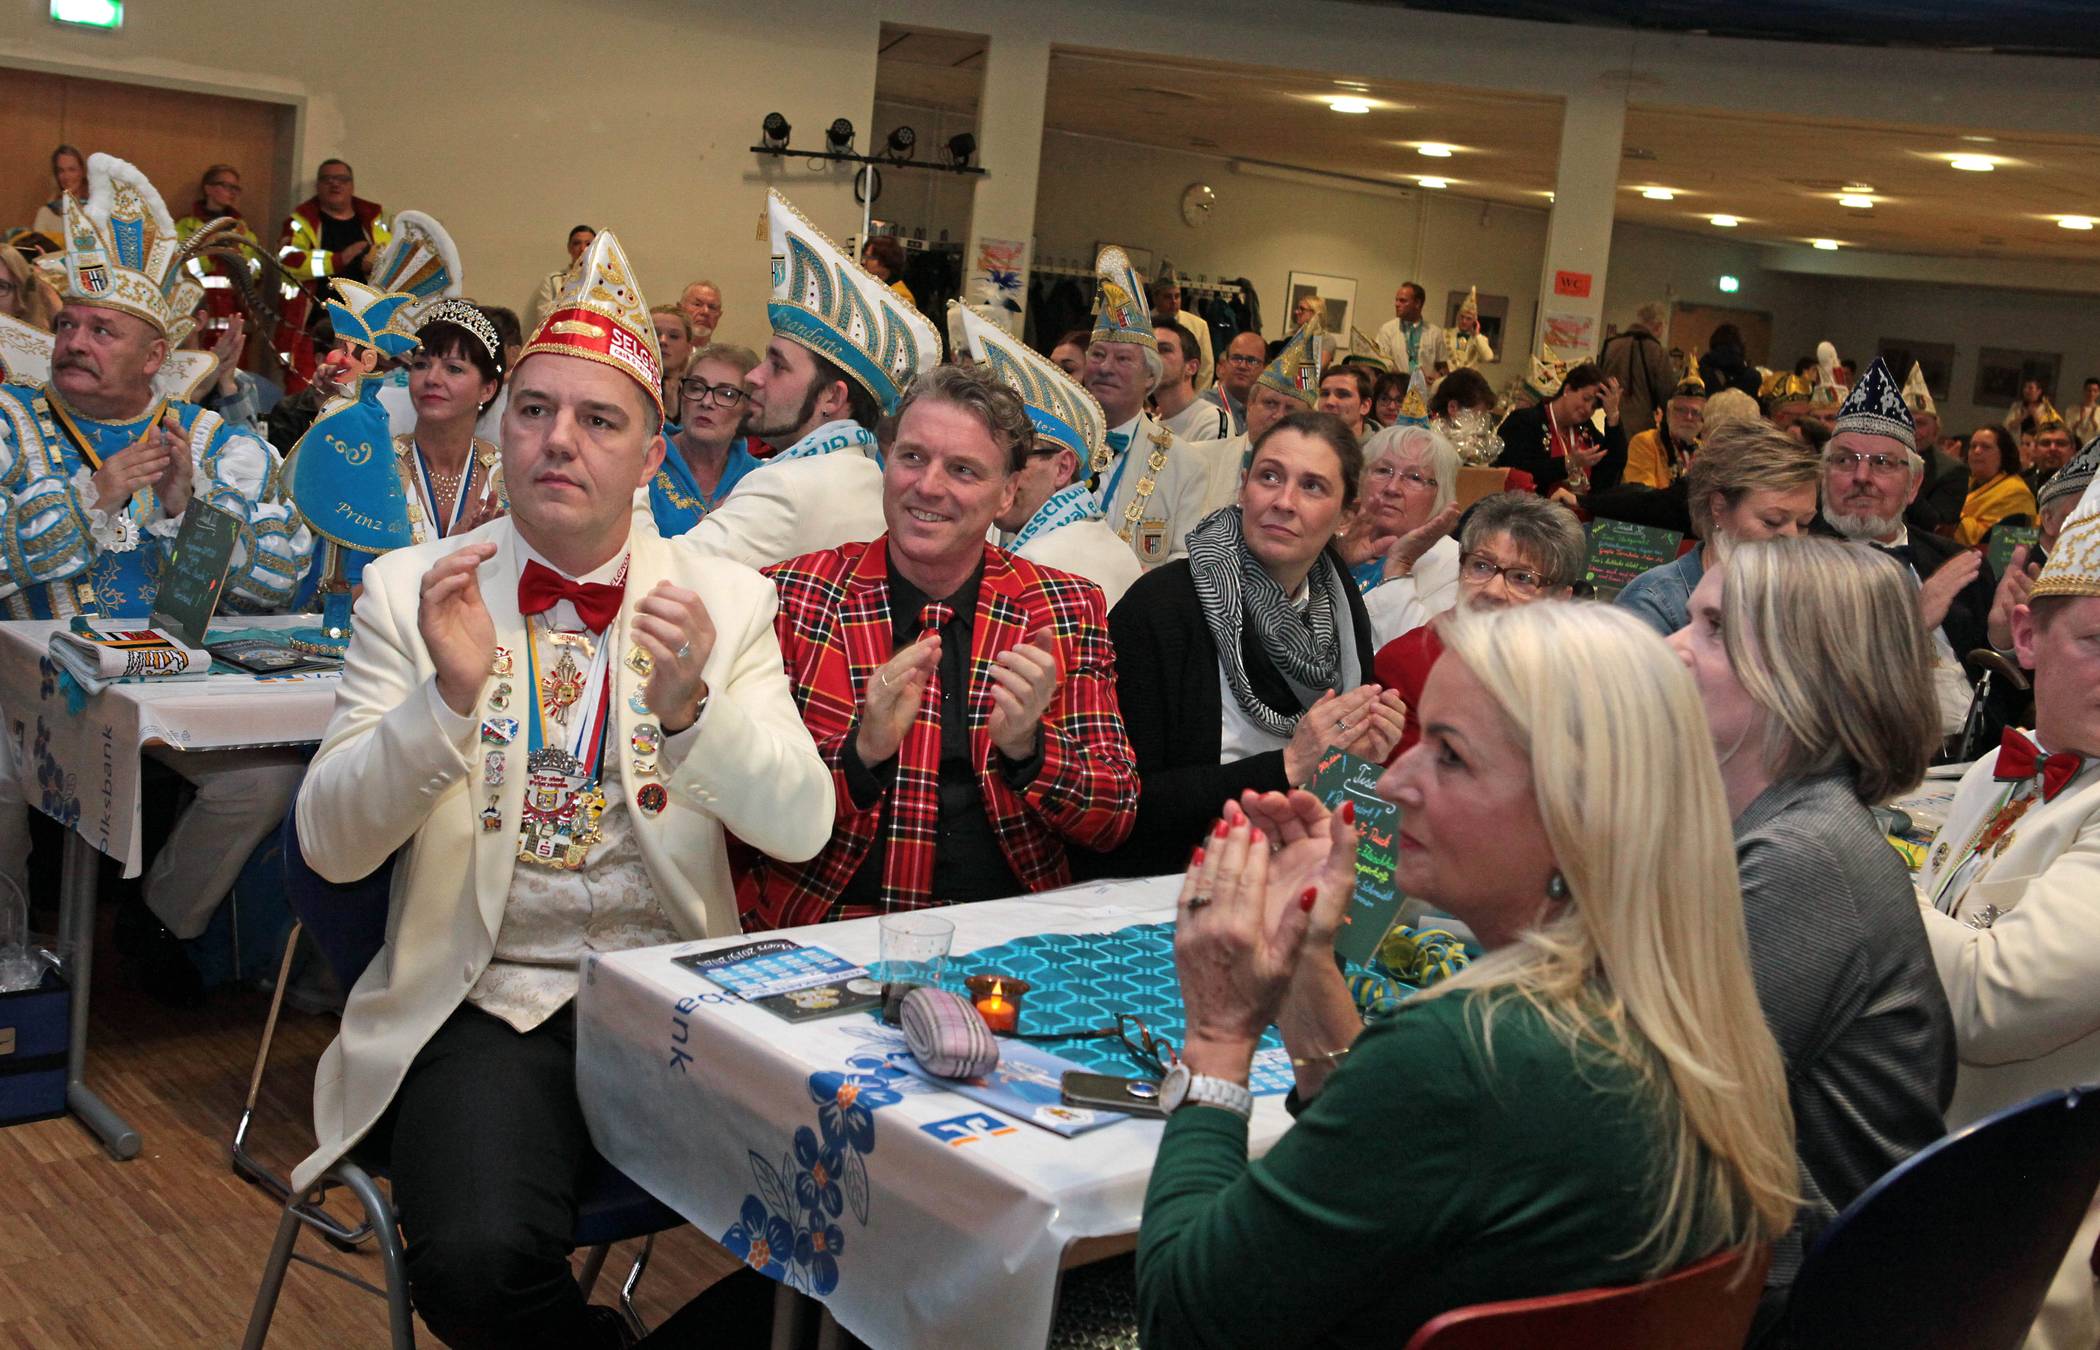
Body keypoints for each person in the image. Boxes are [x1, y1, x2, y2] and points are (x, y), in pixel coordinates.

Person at [290, 228, 831, 1350]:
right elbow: (331, 846)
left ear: (649, 456)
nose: (558, 441)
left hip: (679, 1002)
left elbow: (800, 826)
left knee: (875, 1223)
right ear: (500, 427)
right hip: (489, 1001)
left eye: (600, 419)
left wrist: (693, 716)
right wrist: (441, 702)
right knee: (481, 1267)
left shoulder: (727, 603)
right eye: (533, 410)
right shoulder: (412, 590)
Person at [1134, 601, 1798, 1349]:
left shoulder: (1466, 1053)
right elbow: (1396, 1158)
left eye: (1449, 755)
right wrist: (1302, 967)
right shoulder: (1687, 1006)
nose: (1392, 785)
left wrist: (1220, 1041)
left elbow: (1182, 1321)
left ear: (1577, 812)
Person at [0, 154, 315, 996]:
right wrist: (90, 496)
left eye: (102, 332)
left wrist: (187, 513)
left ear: (154, 355)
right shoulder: (10, 420)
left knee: (265, 780)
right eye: (68, 325)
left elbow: (280, 576)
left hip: (171, 695)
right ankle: (13, 972)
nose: (73, 343)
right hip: (25, 696)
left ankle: (159, 925)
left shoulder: (214, 443)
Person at [739, 363, 1137, 927]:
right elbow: (742, 805)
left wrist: (1030, 749)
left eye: (963, 470)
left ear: (1007, 495)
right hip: (827, 925)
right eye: (913, 457)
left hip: (1006, 930)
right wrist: (862, 752)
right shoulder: (796, 596)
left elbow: (1115, 814)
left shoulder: (1062, 607)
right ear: (886, 462)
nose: (928, 486)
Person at [1669, 537, 1953, 1297]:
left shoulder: (1804, 855)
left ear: (1803, 674)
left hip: (1799, 1300)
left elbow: (1644, 1115)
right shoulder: (1777, 822)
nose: (1672, 648)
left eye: (1714, 628)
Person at [1915, 472, 2100, 1350]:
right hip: (1931, 1182)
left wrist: (1850, 864)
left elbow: (1993, 1001)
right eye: (2099, 641)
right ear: (2026, 635)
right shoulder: (1999, 768)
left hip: (2033, 1248)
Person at [1090, 412, 1403, 879]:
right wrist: (1289, 764)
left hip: (1290, 872)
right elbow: (1123, 804)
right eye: (1269, 477)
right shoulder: (1164, 607)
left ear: (1347, 516)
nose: (1283, 502)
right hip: (1168, 880)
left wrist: (1359, 758)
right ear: (1242, 487)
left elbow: (1330, 787)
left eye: (1313, 487)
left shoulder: (1341, 607)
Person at [676, 190, 929, 568]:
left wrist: (630, 485)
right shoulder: (870, 478)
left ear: (831, 398)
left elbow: (660, 574)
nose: (754, 376)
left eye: (777, 365)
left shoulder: (786, 488)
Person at [1816, 357, 1997, 743]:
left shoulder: (1957, 566)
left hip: (1972, 764)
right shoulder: (1789, 565)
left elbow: (2004, 695)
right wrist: (1910, 626)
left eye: (1882, 463)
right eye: (1845, 460)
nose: (1862, 477)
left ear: (1914, 485)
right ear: (1824, 475)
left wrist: (2005, 642)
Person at [1373, 491, 1586, 758]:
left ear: (1560, 600)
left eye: (1522, 578)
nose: (1493, 590)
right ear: (1461, 571)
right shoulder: (1409, 663)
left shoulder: (1578, 675)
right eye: (1482, 566)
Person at [958, 303, 1141, 608]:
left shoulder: (1035, 563)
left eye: (1017, 459)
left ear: (1063, 467)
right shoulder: (1108, 543)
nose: (1001, 476)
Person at [1078, 246, 1217, 569]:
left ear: (1149, 378)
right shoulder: (1053, 448)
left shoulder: (1186, 464)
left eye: (1123, 358)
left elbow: (1188, 562)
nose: (1106, 367)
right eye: (1097, 355)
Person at [1617, 420, 1820, 635]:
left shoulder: (1806, 599)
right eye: (1772, 521)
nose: (1793, 537)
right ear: (1719, 508)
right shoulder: (1652, 603)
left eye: (1804, 524)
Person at [391, 299, 510, 546]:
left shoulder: (508, 478)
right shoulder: (380, 466)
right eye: (421, 365)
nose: (432, 378)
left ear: (487, 389)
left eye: (453, 369)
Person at [1343, 423, 1463, 645]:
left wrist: (1399, 567)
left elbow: (1417, 657)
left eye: (1414, 477)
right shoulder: (1334, 537)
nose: (1392, 488)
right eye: (1382, 471)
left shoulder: (1454, 564)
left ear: (1441, 493)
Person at [651, 342, 762, 536]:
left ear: (749, 407)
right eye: (695, 387)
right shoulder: (646, 458)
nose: (706, 401)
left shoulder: (759, 478)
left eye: (727, 393)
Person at [1494, 360, 1627, 500]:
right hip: (1533, 514)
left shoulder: (1586, 429)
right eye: (1586, 399)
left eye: (1594, 407)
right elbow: (1515, 473)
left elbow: (1614, 464)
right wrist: (1568, 463)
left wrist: (1613, 416)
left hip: (1580, 517)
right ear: (1568, 389)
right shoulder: (1524, 420)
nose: (1588, 409)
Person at [280, 158, 389, 285]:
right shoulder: (300, 221)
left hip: (366, 304)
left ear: (352, 186)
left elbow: (392, 258)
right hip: (317, 303)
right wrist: (339, 260)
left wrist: (375, 267)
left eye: (342, 179)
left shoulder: (374, 219)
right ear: (318, 186)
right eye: (327, 179)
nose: (335, 184)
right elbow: (289, 262)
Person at [1598, 302, 1676, 441]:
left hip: (1607, 421)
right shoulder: (1656, 351)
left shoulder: (1611, 345)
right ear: (1658, 326)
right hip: (1641, 428)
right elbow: (1668, 395)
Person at [1624, 357, 1705, 489]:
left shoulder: (1705, 451)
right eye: (1681, 410)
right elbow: (1641, 498)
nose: (1689, 417)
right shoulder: (1646, 442)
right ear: (1669, 413)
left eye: (1695, 412)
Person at [1956, 423, 2038, 548]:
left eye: (1986, 447)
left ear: (2003, 454)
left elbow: (1991, 538)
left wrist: (1950, 516)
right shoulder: (1963, 481)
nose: (1977, 451)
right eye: (1973, 446)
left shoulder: (2016, 492)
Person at [1152, 317, 1228, 441]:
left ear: (1191, 367)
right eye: (1150, 350)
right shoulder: (1149, 425)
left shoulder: (1212, 419)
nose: (1153, 358)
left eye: (1165, 349)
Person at [1152, 267, 1214, 392]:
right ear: (1156, 298)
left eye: (1177, 296)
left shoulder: (1198, 325)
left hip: (1186, 394)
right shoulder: (1141, 323)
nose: (1173, 301)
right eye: (1167, 297)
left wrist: (1197, 400)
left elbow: (1206, 368)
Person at [1371, 281, 1448, 379]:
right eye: (1396, 300)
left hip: (1426, 391)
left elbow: (1442, 367)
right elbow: (1380, 364)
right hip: (1398, 389)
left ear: (1417, 303)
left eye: (1402, 301)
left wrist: (1437, 377)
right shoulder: (1387, 330)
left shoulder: (1434, 333)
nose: (1397, 304)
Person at [528, 224, 595, 327]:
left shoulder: (605, 281)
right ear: (569, 248)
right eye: (577, 243)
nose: (582, 249)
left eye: (588, 244)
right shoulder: (553, 280)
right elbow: (543, 319)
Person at [1201, 329, 1265, 434]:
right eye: (1236, 358)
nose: (1243, 366)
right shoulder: (1203, 404)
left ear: (1265, 368)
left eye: (1251, 361)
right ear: (1225, 363)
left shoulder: (1270, 410)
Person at [31, 145, 85, 241]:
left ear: (82, 172)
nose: (66, 176)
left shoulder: (95, 209)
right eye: (61, 171)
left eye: (72, 170)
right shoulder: (46, 213)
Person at [650, 304, 694, 416]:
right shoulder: (621, 383)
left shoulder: (698, 394)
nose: (663, 341)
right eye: (655, 334)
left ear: (688, 349)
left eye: (674, 336)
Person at [1315, 365, 1372, 440]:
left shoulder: (1384, 448)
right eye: (1325, 394)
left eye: (1343, 394)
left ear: (1365, 406)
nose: (1329, 402)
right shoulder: (1303, 444)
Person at [860, 235, 914, 306]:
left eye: (869, 258)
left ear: (885, 261)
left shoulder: (902, 297)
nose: (863, 262)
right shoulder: (867, 285)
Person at [2027, 418, 2077, 494]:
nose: (2053, 448)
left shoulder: (2086, 487)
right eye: (2045, 443)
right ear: (2035, 449)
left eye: (2060, 443)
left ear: (2073, 450)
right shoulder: (2023, 486)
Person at [678, 279, 722, 344]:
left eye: (712, 307)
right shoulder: (663, 351)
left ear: (718, 316)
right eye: (697, 304)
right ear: (680, 309)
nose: (705, 312)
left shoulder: (725, 354)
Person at [2072, 377, 2100, 445]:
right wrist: (2080, 421)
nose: (2091, 393)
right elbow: (2068, 431)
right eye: (2089, 390)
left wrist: (2093, 421)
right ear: (2084, 391)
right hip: (2076, 447)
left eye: (2095, 391)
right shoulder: (2072, 409)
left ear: (2099, 393)